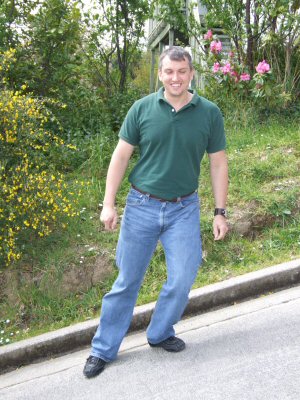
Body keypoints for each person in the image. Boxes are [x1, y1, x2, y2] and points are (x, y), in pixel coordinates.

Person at [83, 46, 228, 378]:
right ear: (160, 74)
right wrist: (109, 204)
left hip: (184, 208)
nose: (175, 78)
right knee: (127, 281)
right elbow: (120, 157)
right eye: (168, 72)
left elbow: (218, 163)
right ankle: (103, 349)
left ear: (192, 73)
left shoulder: (209, 113)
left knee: (182, 277)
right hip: (141, 206)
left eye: (181, 71)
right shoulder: (142, 109)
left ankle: (160, 332)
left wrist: (220, 211)